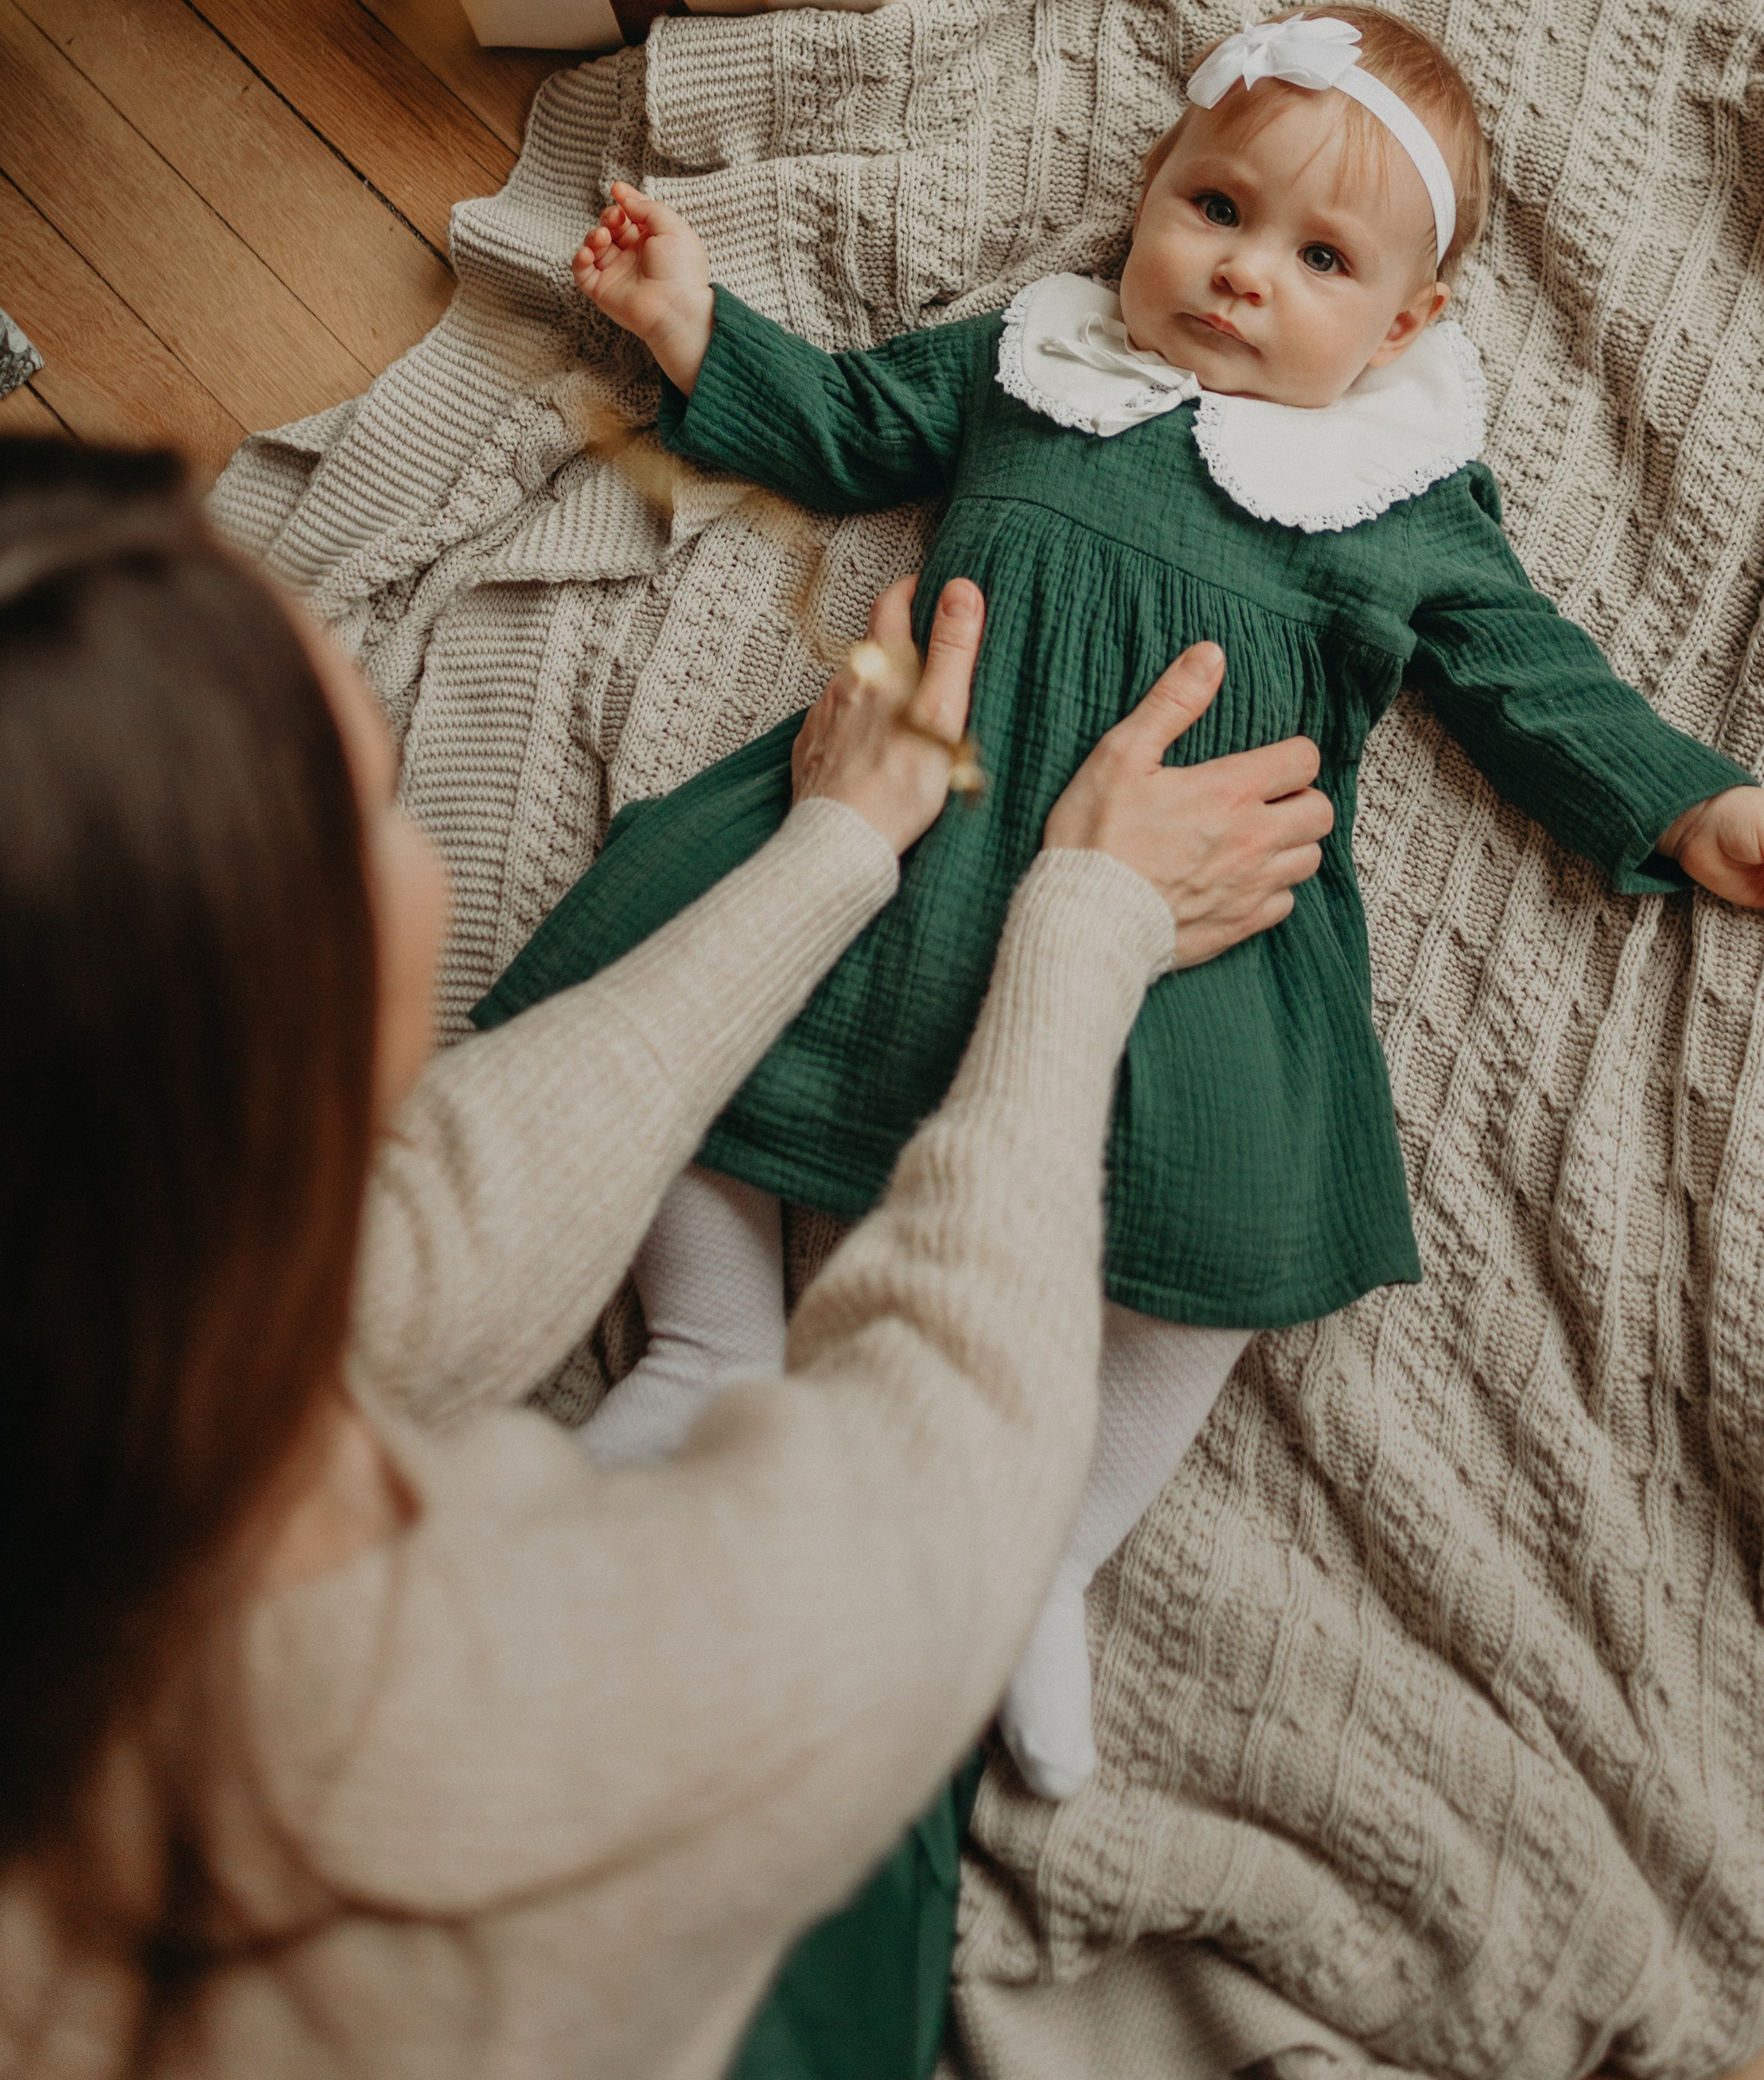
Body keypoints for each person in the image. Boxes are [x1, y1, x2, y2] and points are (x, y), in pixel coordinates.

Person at [520, 5, 1764, 1801]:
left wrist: (1696, 805)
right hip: (919, 798)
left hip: (1196, 915)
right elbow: (843, 426)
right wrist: (690, 320)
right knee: (676, 953)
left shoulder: (1398, 494)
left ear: (1402, 329)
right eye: (1216, 210)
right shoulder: (1037, 360)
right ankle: (709, 1346)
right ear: (1147, 196)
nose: (1243, 273)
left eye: (1320, 260)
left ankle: (1049, 1543)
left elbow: (1531, 679)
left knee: (1242, 1201)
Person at [0, 440, 1330, 2077]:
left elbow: (412, 1252)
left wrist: (838, 848)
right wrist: (1089, 919)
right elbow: (950, 1492)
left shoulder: (82, 1303)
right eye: (372, 800)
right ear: (264, 1040)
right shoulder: (456, 1748)